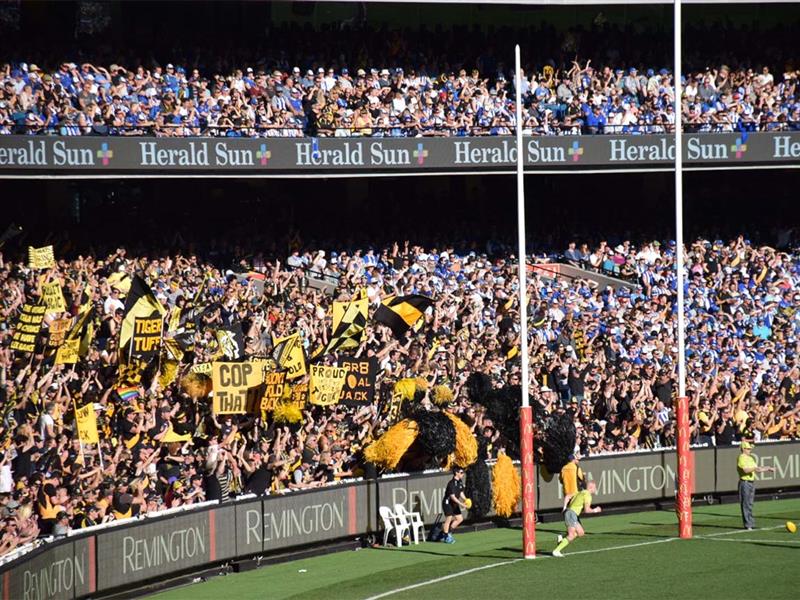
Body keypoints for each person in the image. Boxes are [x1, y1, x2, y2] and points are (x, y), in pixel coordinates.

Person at [552, 480, 601, 557]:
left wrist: (564, 507)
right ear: (591, 487)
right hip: (572, 514)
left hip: (572, 514)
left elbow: (567, 496)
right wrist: (596, 510)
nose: (595, 489)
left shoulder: (580, 492)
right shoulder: (588, 495)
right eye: (595, 487)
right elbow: (587, 510)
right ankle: (556, 551)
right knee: (571, 535)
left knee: (581, 532)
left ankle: (562, 538)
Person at [737, 441, 775, 530]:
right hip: (745, 482)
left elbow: (757, 469)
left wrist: (768, 468)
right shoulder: (741, 457)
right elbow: (745, 470)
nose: (750, 450)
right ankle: (748, 524)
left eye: (750, 449)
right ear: (743, 449)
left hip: (751, 482)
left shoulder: (750, 458)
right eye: (748, 449)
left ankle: (751, 523)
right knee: (745, 504)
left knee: (750, 504)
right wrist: (754, 468)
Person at [440, 466, 468, 544]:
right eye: (461, 472)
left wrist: (465, 500)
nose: (463, 474)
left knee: (460, 519)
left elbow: (461, 492)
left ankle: (448, 533)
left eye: (463, 472)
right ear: (456, 473)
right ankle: (446, 537)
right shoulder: (451, 483)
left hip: (454, 504)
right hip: (447, 503)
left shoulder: (460, 482)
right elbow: (452, 497)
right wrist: (461, 504)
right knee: (449, 518)